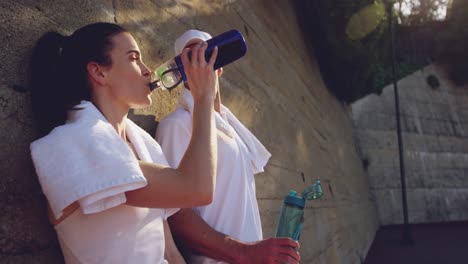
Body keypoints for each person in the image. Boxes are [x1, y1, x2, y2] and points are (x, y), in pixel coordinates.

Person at [29, 22, 219, 264]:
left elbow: (169, 252)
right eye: (134, 58)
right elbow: (198, 188)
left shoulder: (143, 146)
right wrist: (203, 99)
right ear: (99, 73)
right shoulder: (74, 144)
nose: (147, 70)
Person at [156, 29, 301, 264]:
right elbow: (175, 215)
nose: (199, 63)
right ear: (181, 70)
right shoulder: (176, 125)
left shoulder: (231, 130)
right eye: (190, 57)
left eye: (206, 54)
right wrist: (245, 252)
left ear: (220, 65)